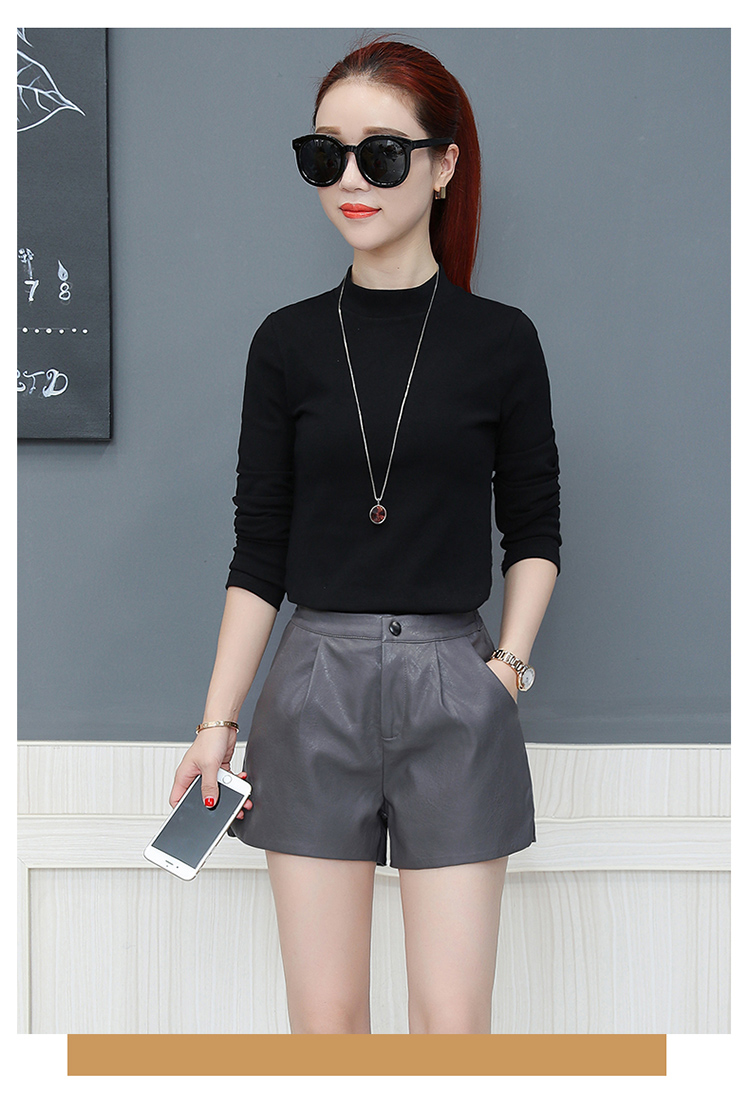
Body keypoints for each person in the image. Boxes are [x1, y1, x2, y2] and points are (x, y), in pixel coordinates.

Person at [169, 34, 561, 1035]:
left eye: (381, 153)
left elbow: (534, 528)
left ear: (444, 164)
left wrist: (506, 673)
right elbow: (258, 549)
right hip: (312, 687)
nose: (350, 179)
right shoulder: (286, 343)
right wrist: (216, 725)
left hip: (455, 683)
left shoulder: (501, 342)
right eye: (325, 154)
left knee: (453, 1026)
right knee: (326, 1025)